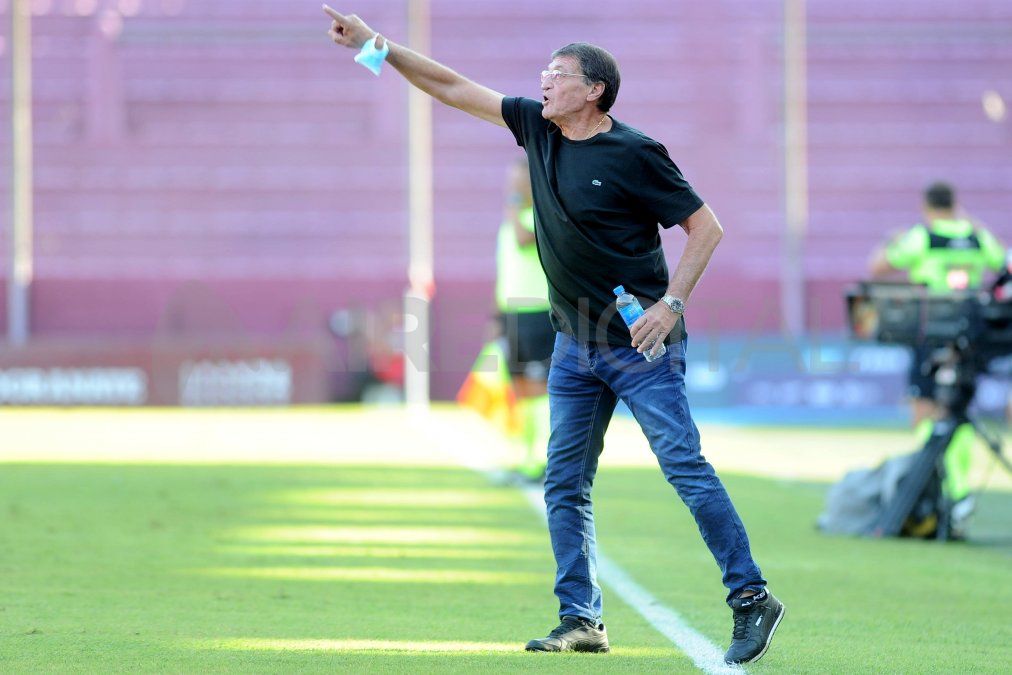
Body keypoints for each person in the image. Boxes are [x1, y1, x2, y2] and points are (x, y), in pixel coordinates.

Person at [323, 7, 783, 665]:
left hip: (638, 346)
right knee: (563, 481)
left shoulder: (635, 153)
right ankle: (581, 617)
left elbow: (705, 227)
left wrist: (672, 304)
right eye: (544, 71)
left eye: (558, 73)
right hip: (575, 343)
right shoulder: (537, 130)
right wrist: (377, 46)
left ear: (593, 90)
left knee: (684, 467)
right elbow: (453, 87)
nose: (543, 81)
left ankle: (750, 596)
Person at [868, 182, 1006, 519]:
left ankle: (936, 484)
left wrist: (892, 240)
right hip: (969, 337)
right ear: (956, 204)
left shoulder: (922, 236)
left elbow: (880, 267)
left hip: (930, 333)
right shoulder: (977, 237)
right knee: (959, 412)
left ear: (927, 206)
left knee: (924, 412)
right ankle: (959, 489)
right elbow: (1004, 262)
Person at [495, 159, 553, 481]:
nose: (512, 187)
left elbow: (523, 241)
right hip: (512, 315)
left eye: (518, 181)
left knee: (538, 390)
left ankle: (542, 461)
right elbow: (505, 271)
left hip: (537, 314)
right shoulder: (510, 220)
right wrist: (496, 318)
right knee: (517, 390)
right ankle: (524, 457)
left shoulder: (538, 217)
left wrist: (516, 204)